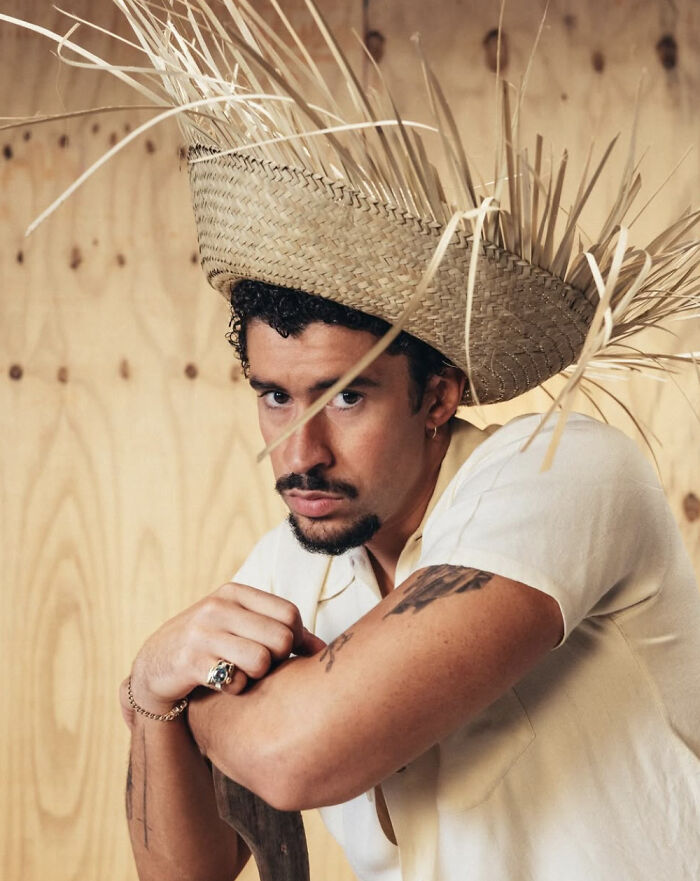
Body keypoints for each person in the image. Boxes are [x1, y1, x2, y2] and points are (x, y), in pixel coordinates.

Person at [120, 279, 700, 881]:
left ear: (437, 398)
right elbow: (184, 874)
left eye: (345, 398)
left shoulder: (559, 469)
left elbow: (291, 759)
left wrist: (182, 703)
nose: (299, 454)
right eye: (275, 397)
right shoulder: (285, 566)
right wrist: (153, 685)